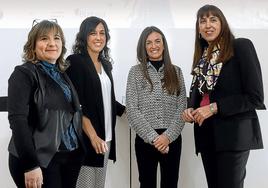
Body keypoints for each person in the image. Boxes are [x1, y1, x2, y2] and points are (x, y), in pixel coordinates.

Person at [182, 4, 265, 188]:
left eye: (213, 19)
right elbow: (201, 98)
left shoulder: (240, 46)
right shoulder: (202, 59)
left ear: (222, 23)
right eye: (202, 21)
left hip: (233, 136)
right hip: (207, 135)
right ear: (198, 28)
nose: (207, 25)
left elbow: (255, 97)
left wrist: (214, 107)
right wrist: (189, 109)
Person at [7, 20, 85, 188]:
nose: (51, 43)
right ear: (33, 46)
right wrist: (30, 165)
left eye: (56, 38)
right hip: (40, 159)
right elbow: (17, 121)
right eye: (44, 38)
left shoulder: (61, 74)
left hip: (69, 156)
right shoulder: (23, 74)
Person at [66, 16, 125, 188]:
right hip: (88, 138)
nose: (98, 37)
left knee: (98, 185)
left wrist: (130, 111)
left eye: (102, 33)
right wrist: (93, 136)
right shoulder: (76, 61)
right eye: (93, 33)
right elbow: (76, 105)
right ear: (84, 37)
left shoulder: (105, 64)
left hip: (105, 137)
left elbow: (105, 98)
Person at [126, 26, 187, 188]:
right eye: (149, 42)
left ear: (164, 44)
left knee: (170, 183)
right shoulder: (135, 72)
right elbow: (132, 109)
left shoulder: (176, 72)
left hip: (172, 139)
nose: (154, 46)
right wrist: (154, 138)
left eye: (157, 41)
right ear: (143, 47)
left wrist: (167, 137)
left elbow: (182, 107)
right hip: (145, 140)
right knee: (146, 183)